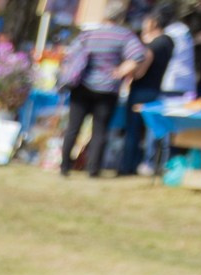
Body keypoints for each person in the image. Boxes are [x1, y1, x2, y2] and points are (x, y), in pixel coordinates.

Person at [56, 0, 142, 179]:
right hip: (107, 89)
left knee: (73, 127)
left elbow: (70, 55)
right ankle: (93, 170)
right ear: (120, 17)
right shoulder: (125, 36)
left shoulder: (89, 34)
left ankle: (64, 166)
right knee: (100, 130)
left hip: (82, 87)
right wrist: (119, 71)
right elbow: (138, 55)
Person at [112, 10, 173, 176]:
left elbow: (140, 70)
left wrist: (128, 71)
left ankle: (127, 166)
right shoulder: (168, 43)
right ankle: (141, 163)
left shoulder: (155, 44)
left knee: (133, 129)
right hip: (154, 89)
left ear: (153, 22)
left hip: (142, 90)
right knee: (147, 131)